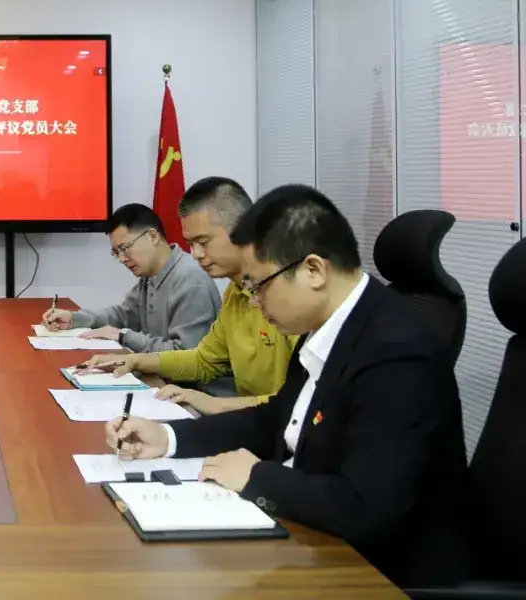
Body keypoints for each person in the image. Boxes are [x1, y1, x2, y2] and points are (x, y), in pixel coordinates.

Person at [104, 185, 468, 589]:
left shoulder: (397, 352)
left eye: (258, 285)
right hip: (314, 540)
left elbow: (365, 506)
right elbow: (277, 419)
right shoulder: (329, 327)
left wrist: (257, 478)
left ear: (313, 270)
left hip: (380, 574)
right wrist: (168, 437)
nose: (253, 301)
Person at [79, 178, 295, 414]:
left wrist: (214, 404)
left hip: (272, 423)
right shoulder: (235, 292)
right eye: (191, 244)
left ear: (243, 229)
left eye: (203, 242)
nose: (196, 254)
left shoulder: (289, 295)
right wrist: (135, 360)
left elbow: (300, 403)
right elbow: (203, 360)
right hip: (251, 417)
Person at [42, 203, 220, 353]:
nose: (122, 259)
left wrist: (124, 336)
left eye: (125, 248)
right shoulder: (151, 275)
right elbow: (123, 315)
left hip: (190, 384)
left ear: (152, 237)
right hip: (161, 376)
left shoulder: (191, 280)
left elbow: (186, 355)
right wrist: (74, 319)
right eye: (116, 252)